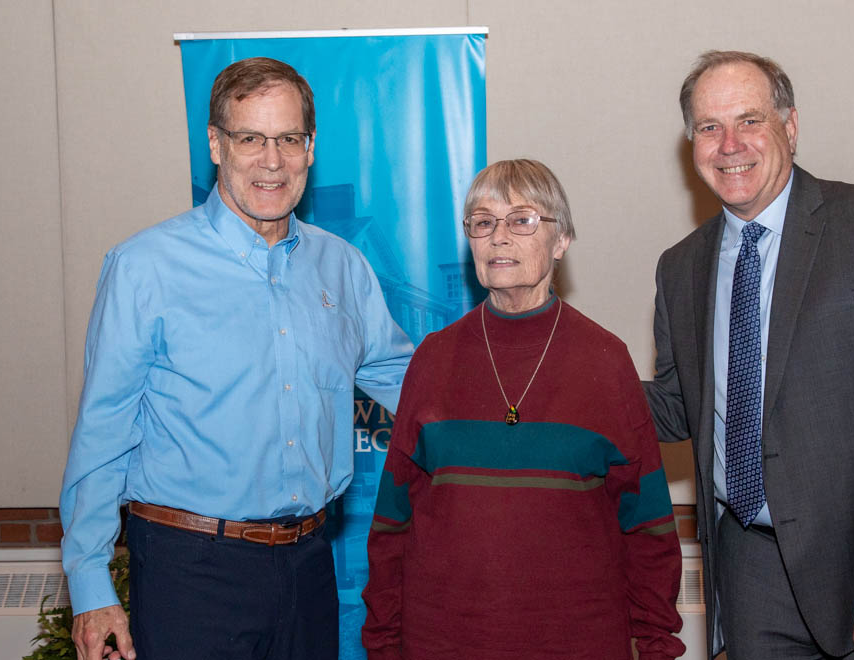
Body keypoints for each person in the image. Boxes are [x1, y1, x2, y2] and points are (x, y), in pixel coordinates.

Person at [59, 57, 413, 660]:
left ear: (310, 148)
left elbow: (413, 383)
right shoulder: (144, 268)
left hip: (308, 568)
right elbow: (103, 431)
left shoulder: (342, 267)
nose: (272, 161)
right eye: (251, 138)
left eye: (289, 140)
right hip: (189, 573)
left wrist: (515, 408)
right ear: (217, 145)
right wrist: (91, 586)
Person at [645, 51, 854, 660]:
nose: (729, 145)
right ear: (690, 142)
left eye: (749, 121)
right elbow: (673, 407)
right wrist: (557, 369)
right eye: (708, 127)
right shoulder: (681, 267)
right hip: (751, 571)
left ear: (789, 127)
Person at [361, 159, 685, 660]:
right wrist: (382, 644)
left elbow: (648, 528)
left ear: (561, 241)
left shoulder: (606, 361)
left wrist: (658, 645)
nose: (499, 237)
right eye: (483, 221)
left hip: (577, 642)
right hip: (441, 642)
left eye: (522, 219)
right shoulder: (433, 358)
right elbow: (391, 525)